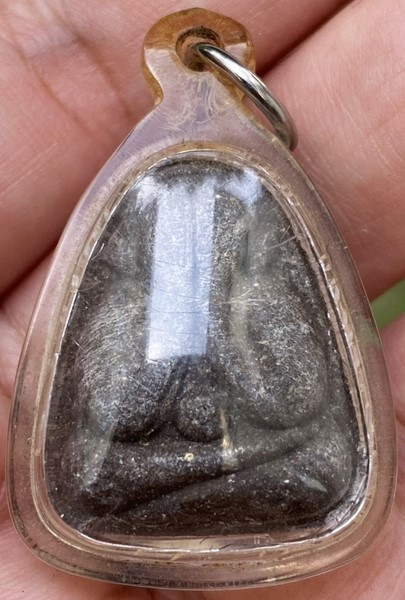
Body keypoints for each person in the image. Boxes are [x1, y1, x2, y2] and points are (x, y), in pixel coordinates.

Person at [0, 1, 404, 598]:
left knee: (318, 469)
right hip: (141, 466)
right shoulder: (126, 300)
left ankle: (197, 489)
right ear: (137, 249)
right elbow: (120, 413)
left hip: (276, 457)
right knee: (94, 472)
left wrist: (233, 330)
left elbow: (297, 399)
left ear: (253, 246)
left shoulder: (267, 291)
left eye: (227, 243)